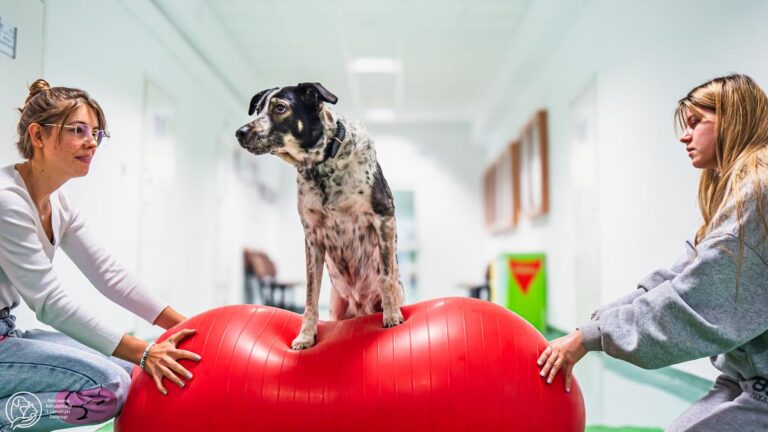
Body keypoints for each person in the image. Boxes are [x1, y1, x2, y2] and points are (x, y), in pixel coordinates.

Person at [537, 74, 768, 431]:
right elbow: (677, 278)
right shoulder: (735, 195)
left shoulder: (758, 194)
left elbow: (695, 299)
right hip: (745, 382)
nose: (684, 135)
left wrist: (593, 337)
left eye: (696, 122)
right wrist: (590, 328)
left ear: (734, 119)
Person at [0, 80, 201, 431]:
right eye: (78, 130)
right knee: (106, 389)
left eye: (96, 132)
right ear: (38, 136)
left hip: (7, 333)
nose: (92, 141)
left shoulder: (58, 203)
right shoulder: (7, 201)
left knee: (128, 371)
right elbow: (50, 302)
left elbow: (108, 274)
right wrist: (143, 349)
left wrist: (184, 327)